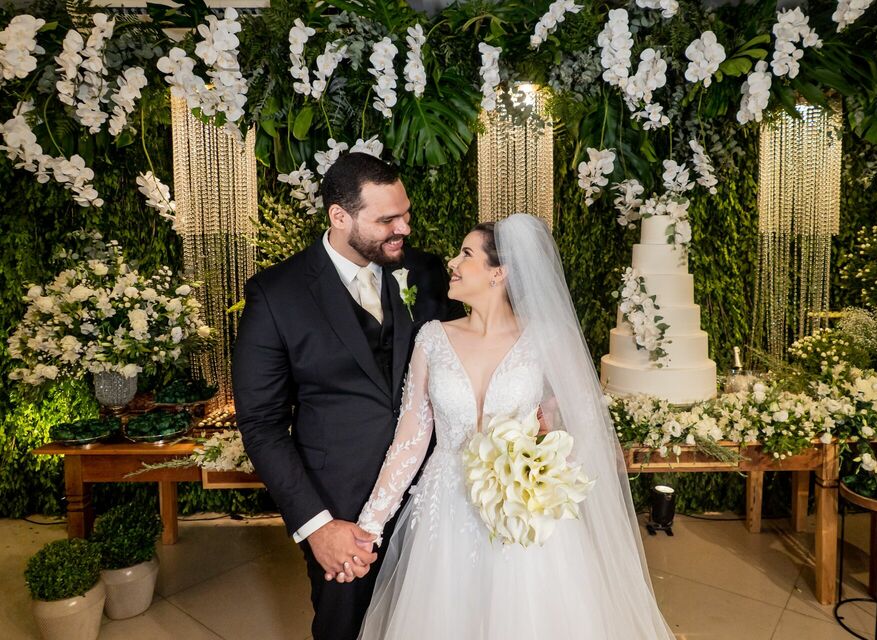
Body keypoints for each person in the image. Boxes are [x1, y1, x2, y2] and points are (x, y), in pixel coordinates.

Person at [356, 213, 675, 639]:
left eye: (466, 254)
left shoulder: (545, 337)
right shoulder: (431, 337)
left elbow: (584, 425)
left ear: (499, 273)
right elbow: (410, 439)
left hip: (526, 508)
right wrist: (369, 526)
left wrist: (551, 461)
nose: (452, 262)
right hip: (444, 509)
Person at [232, 152, 462, 640]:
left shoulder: (425, 271)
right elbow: (262, 424)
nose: (403, 228)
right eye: (387, 220)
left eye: (406, 214)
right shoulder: (276, 294)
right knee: (346, 628)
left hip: (435, 496)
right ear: (340, 216)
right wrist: (317, 526)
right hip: (342, 509)